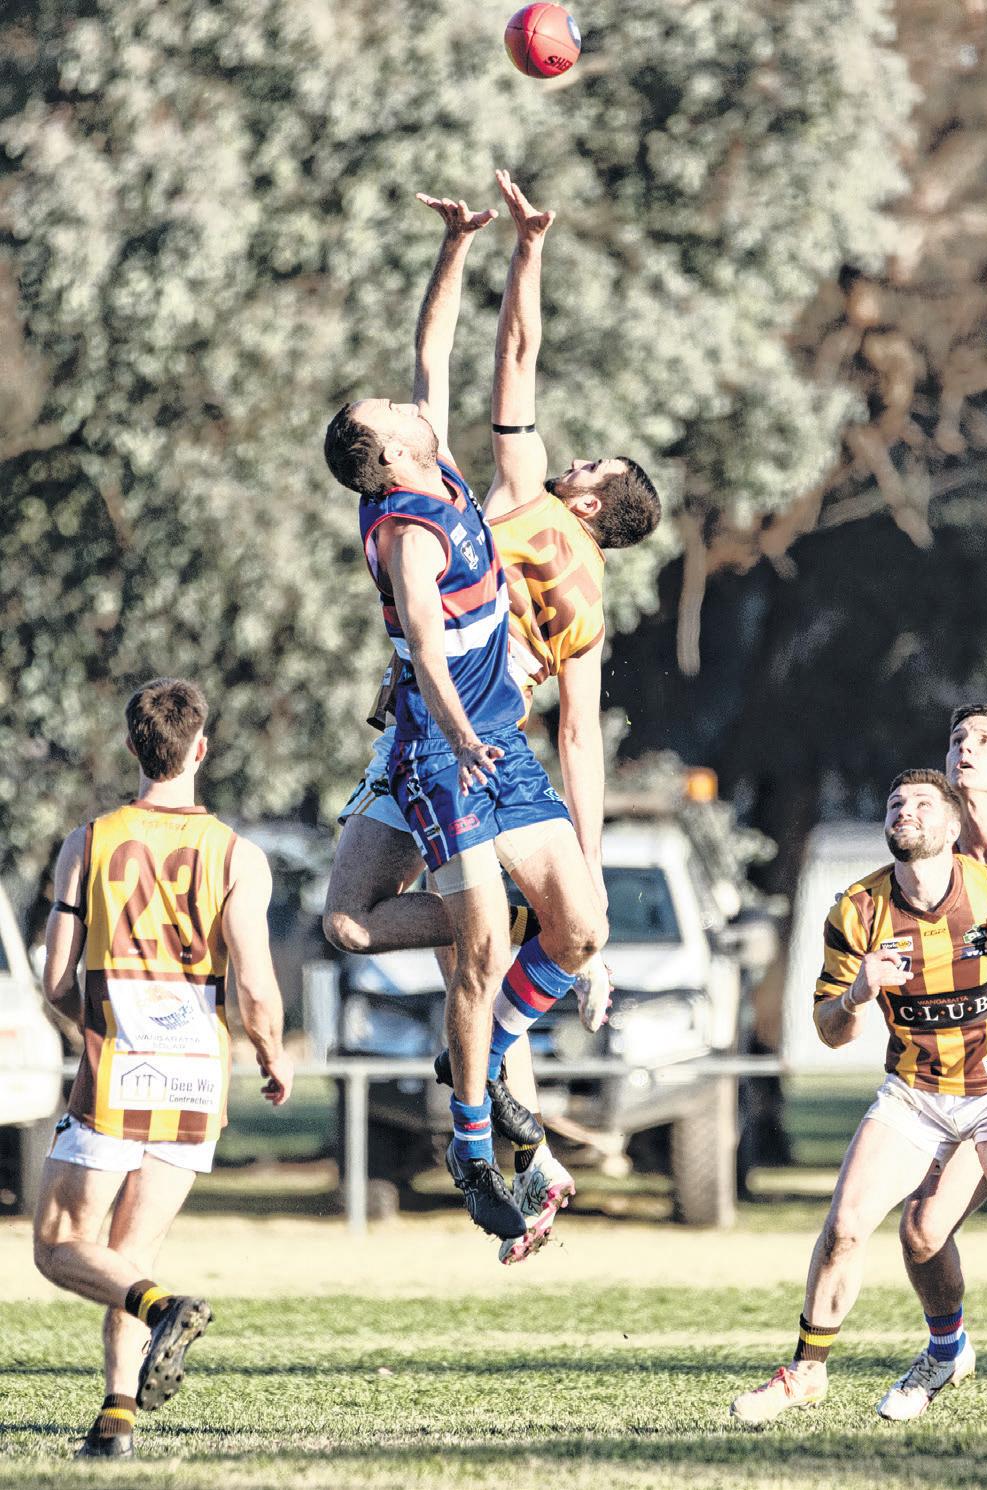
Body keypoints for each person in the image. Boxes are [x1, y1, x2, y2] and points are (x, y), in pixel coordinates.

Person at [324, 174, 660, 1256]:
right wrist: (512, 248)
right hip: (451, 736)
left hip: (476, 737)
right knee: (482, 947)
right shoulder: (540, 566)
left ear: (591, 502)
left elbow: (498, 352)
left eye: (591, 464)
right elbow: (576, 737)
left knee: (528, 940)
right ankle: (499, 1141)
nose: (577, 457)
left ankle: (503, 1113)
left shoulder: (508, 492)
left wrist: (506, 246)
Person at [33, 677, 293, 1460]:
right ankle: (117, 1419)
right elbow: (255, 985)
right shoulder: (238, 855)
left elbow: (55, 980)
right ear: (200, 748)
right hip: (196, 1080)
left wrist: (98, 1024)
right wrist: (270, 1054)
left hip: (116, 1074)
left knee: (60, 1247)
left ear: (131, 746)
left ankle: (163, 1308)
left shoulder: (89, 841)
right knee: (128, 1253)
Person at [729, 768, 987, 1426]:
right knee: (847, 1228)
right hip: (916, 1094)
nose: (905, 811)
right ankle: (807, 1373)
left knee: (924, 1231)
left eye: (923, 803)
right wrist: (856, 995)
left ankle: (943, 1351)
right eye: (895, 803)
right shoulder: (858, 910)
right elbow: (830, 1031)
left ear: (954, 827)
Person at [877, 704, 987, 1418]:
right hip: (960, 1083)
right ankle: (947, 1350)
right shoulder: (936, 860)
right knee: (921, 1231)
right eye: (957, 740)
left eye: (984, 740)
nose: (965, 750)